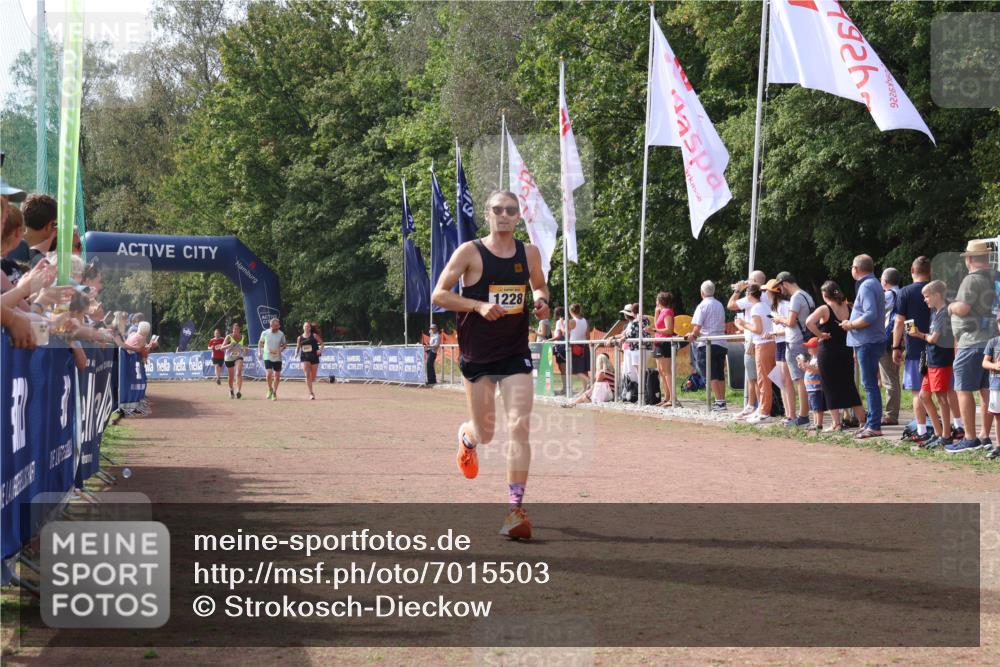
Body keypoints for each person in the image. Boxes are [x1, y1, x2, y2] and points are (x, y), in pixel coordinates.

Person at [431, 189, 549, 540]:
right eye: (498, 209)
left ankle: (516, 509)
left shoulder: (529, 253)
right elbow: (439, 294)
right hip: (478, 355)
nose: (504, 215)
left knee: (520, 426)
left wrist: (541, 301)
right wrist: (478, 306)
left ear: (518, 216)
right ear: (487, 214)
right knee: (486, 433)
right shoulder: (470, 252)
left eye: (511, 210)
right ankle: (466, 439)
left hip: (514, 352)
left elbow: (539, 286)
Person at [946, 240, 998, 453]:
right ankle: (986, 435)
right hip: (993, 340)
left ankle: (970, 438)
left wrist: (951, 306)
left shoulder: (971, 280)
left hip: (972, 342)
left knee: (964, 389)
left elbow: (964, 308)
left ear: (969, 259)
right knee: (987, 390)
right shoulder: (994, 279)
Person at [806, 281, 867, 431]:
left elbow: (808, 322)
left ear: (824, 295)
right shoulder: (849, 307)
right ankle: (863, 421)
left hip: (828, 351)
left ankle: (836, 423)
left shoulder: (824, 309)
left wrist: (820, 334)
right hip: (846, 350)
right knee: (849, 386)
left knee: (830, 387)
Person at [843, 254, 886, 439]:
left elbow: (870, 315)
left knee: (869, 385)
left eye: (852, 267)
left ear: (857, 269)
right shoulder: (874, 283)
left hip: (867, 341)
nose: (851, 270)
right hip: (869, 340)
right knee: (870, 384)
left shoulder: (867, 285)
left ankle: (874, 425)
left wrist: (850, 325)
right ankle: (870, 423)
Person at [893, 257, 936, 441]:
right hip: (938, 346)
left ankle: (921, 431)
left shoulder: (905, 292)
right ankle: (949, 428)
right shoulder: (938, 290)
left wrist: (896, 346)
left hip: (915, 348)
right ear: (930, 271)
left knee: (917, 391)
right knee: (942, 393)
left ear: (912, 269)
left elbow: (899, 322)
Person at [910, 280, 956, 449]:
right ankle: (938, 432)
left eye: (927, 296)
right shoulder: (935, 312)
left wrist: (918, 334)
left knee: (942, 398)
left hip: (941, 360)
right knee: (924, 395)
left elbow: (933, 338)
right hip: (933, 360)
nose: (925, 300)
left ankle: (946, 435)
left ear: (937, 295)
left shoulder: (943, 313)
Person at [773, 271, 814, 427]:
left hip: (795, 342)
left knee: (799, 380)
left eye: (780, 286)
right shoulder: (806, 295)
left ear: (785, 283)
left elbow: (790, 322)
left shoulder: (796, 297)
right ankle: (805, 414)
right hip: (804, 339)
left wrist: (778, 319)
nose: (780, 290)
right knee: (805, 378)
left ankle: (803, 416)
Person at [728, 271, 768, 416]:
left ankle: (757, 407)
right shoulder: (766, 295)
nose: (746, 282)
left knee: (754, 377)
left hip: (754, 340)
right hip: (757, 339)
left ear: (756, 281)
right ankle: (752, 405)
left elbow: (731, 305)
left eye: (750, 280)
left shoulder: (755, 297)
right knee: (753, 377)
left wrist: (738, 290)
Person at [735, 284, 774, 423]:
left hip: (762, 345)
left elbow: (758, 329)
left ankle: (764, 412)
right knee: (765, 379)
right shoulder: (764, 305)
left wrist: (744, 324)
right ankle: (762, 410)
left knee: (763, 380)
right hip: (768, 344)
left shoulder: (756, 308)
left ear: (750, 295)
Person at [689, 280, 728, 410]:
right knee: (720, 373)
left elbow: (697, 327)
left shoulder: (702, 306)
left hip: (707, 343)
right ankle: (721, 400)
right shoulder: (720, 304)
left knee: (711, 374)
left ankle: (719, 402)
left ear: (702, 292)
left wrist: (692, 335)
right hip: (721, 342)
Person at [878, 267, 903, 425]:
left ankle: (891, 415)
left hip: (888, 340)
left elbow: (874, 311)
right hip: (900, 339)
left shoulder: (887, 295)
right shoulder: (902, 293)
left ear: (884, 281)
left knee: (889, 379)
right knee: (893, 376)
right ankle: (892, 413)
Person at [647, 291, 676, 407]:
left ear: (660, 301)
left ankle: (673, 398)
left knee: (666, 371)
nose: (655, 302)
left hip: (665, 343)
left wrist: (654, 331)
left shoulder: (668, 311)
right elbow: (657, 325)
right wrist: (656, 312)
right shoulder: (662, 311)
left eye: (657, 300)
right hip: (659, 343)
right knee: (661, 371)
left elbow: (669, 330)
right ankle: (667, 397)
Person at [796, 337, 825, 430]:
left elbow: (818, 370)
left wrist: (808, 366)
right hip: (810, 387)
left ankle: (818, 424)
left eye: (811, 347)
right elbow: (809, 371)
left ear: (817, 348)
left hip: (816, 387)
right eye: (808, 347)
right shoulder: (813, 358)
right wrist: (803, 367)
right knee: (813, 407)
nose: (808, 349)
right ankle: (815, 423)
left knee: (817, 407)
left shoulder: (819, 358)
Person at [258, 317, 287, 401]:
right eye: (276, 325)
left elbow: (285, 344)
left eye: (278, 325)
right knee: (269, 373)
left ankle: (274, 392)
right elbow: (260, 342)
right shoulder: (265, 333)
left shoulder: (281, 334)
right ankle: (270, 389)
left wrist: (281, 349)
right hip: (267, 356)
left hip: (277, 357)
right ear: (271, 325)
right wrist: (259, 352)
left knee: (277, 377)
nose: (278, 327)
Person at [295, 321, 322, 399]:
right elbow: (298, 347)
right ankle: (311, 393)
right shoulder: (299, 338)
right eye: (305, 326)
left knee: (313, 378)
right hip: (304, 358)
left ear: (310, 328)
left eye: (308, 326)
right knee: (307, 375)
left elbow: (322, 344)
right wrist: (296, 354)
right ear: (303, 327)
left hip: (314, 357)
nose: (306, 328)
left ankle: (309, 382)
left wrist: (320, 350)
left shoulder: (314, 336)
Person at [568, 303, 591, 390]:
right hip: (584, 346)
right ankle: (585, 389)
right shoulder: (585, 320)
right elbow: (588, 336)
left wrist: (563, 324)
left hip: (575, 347)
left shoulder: (572, 321)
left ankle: (588, 380)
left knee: (574, 370)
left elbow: (565, 333)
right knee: (584, 369)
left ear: (570, 311)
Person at [222, 323, 246, 399]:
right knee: (231, 377)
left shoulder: (242, 337)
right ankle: (231, 389)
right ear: (232, 330)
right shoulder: (228, 337)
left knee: (238, 372)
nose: (235, 330)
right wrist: (229, 345)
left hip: (238, 356)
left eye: (237, 329)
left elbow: (243, 348)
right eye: (234, 329)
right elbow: (222, 348)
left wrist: (244, 350)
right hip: (229, 358)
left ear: (239, 330)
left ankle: (238, 391)